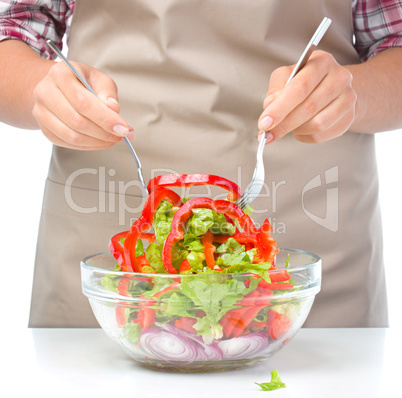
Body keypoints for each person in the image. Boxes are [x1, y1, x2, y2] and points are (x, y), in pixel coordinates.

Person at [1, 0, 401, 328]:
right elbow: (15, 30)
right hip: (106, 258)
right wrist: (43, 88)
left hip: (308, 244)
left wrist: (353, 97)